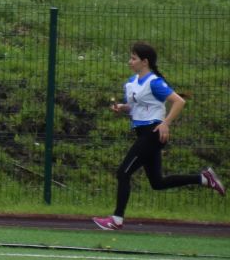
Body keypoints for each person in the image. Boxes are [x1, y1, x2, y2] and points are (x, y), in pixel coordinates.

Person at [93, 42, 222, 230]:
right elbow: (137, 106)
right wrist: (122, 107)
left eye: (133, 58)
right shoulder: (131, 82)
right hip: (143, 133)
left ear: (144, 62)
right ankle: (203, 178)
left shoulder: (155, 82)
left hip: (153, 134)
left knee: (123, 173)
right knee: (157, 183)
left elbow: (179, 101)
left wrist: (165, 123)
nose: (130, 61)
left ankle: (116, 220)